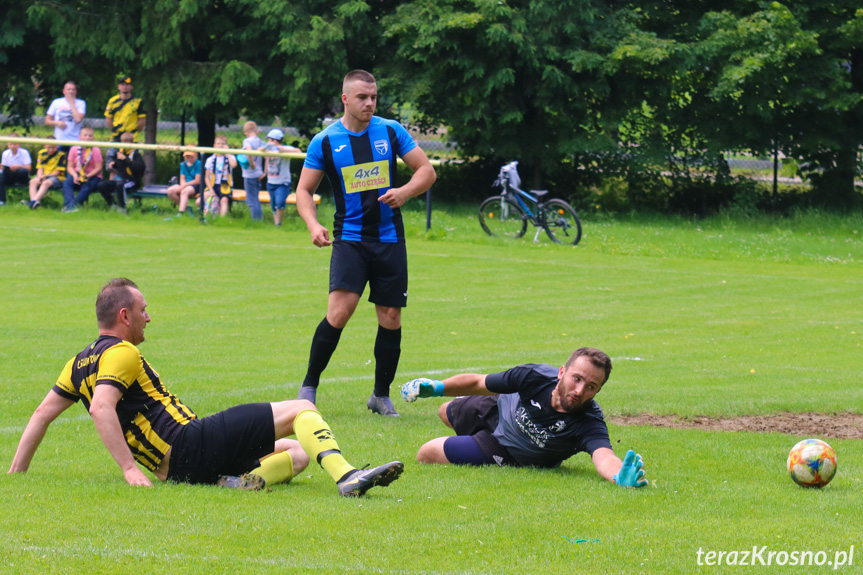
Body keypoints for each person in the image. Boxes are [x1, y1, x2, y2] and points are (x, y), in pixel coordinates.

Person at [8, 278, 404, 497]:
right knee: (301, 409)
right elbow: (101, 408)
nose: (149, 317)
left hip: (174, 471)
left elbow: (42, 415)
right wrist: (128, 469)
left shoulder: (78, 363)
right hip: (190, 443)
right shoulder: (123, 352)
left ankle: (236, 483)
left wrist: (17, 472)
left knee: (299, 453)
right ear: (124, 315)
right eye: (143, 310)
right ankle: (347, 476)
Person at [294, 70, 437, 416]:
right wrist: (312, 223)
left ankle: (380, 395)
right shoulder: (325, 141)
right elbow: (303, 191)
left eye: (373, 97)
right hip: (350, 239)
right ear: (345, 99)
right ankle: (308, 386)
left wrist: (404, 191)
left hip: (389, 238)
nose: (370, 103)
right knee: (339, 312)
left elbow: (427, 171)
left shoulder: (390, 131)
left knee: (390, 316)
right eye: (362, 97)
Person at [399, 348, 649, 488]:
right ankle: (468, 437)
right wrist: (437, 387)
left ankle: (474, 445)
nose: (580, 391)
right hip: (496, 408)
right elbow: (478, 382)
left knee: (427, 452)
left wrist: (619, 476)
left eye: (591, 386)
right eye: (577, 379)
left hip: (504, 449)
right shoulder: (533, 375)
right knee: (445, 411)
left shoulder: (588, 421)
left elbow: (604, 455)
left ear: (598, 391)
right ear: (562, 372)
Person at [96, 131, 144, 212]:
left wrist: (125, 159)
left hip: (131, 181)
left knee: (120, 185)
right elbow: (119, 165)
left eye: (126, 142)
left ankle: (123, 208)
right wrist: (114, 164)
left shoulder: (135, 154)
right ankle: (112, 204)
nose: (124, 144)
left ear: (132, 142)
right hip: (120, 179)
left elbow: (138, 169)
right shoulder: (121, 152)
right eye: (123, 142)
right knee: (101, 185)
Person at [263, 128, 301, 227]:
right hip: (271, 181)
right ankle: (277, 224)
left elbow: (298, 151)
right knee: (273, 204)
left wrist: (281, 149)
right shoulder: (268, 149)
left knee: (280, 203)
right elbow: (262, 153)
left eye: (269, 139)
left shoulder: (285, 148)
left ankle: (279, 223)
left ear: (274, 140)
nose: (268, 142)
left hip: (282, 182)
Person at [61, 126, 104, 212]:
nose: (87, 138)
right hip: (77, 173)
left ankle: (74, 205)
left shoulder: (96, 150)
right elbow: (70, 166)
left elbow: (98, 168)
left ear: (93, 138)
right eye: (85, 135)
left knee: (87, 186)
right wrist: (74, 175)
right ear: (80, 137)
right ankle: (69, 204)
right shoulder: (74, 149)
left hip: (92, 175)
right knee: (67, 183)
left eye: (90, 136)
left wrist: (87, 176)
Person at [24, 138, 67, 209]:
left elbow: (57, 172)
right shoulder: (41, 153)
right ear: (44, 145)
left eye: (53, 147)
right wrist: (40, 176)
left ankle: (33, 202)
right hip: (44, 175)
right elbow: (40, 168)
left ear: (56, 146)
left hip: (57, 177)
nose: (50, 150)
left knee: (46, 183)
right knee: (33, 181)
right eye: (49, 147)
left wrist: (45, 176)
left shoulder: (61, 155)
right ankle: (35, 204)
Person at [202, 134, 237, 218]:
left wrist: (228, 153)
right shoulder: (210, 159)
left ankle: (221, 219)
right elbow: (206, 177)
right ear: (214, 146)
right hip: (213, 185)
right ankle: (208, 216)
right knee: (203, 198)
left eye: (223, 144)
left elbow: (234, 165)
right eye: (218, 143)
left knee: (224, 200)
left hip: (225, 185)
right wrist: (211, 189)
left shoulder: (230, 157)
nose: (220, 145)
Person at [104, 75, 146, 142]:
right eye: (122, 84)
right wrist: (114, 129)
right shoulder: (112, 101)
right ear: (119, 86)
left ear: (131, 87)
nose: (125, 87)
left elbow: (142, 120)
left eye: (127, 85)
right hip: (116, 136)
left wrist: (135, 130)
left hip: (131, 137)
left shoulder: (138, 101)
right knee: (112, 152)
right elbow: (108, 117)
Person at [45, 81, 86, 147]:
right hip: (59, 140)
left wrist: (72, 103)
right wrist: (57, 123)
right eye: (69, 89)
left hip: (75, 141)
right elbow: (47, 121)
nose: (71, 91)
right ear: (64, 91)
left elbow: (78, 119)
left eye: (73, 89)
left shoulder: (81, 103)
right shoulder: (56, 102)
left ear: (76, 92)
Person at [240, 121, 265, 221]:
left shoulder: (247, 141)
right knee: (256, 199)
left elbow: (249, 151)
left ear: (245, 132)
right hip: (258, 173)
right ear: (257, 131)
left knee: (251, 200)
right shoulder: (260, 141)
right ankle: (259, 219)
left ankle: (255, 220)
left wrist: (251, 163)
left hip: (250, 174)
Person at [166, 150, 202, 218]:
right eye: (187, 157)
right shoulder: (183, 164)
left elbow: (197, 180)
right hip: (185, 184)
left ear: (196, 155)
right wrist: (183, 185)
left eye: (191, 156)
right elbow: (182, 178)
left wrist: (185, 185)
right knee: (170, 191)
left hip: (195, 186)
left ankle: (180, 213)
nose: (189, 158)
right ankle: (186, 208)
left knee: (184, 191)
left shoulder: (199, 164)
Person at [0, 134, 32, 205]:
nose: (12, 146)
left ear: (19, 144)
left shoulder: (24, 152)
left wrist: (19, 166)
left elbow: (29, 168)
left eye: (14, 144)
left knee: (23, 171)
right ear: (7, 144)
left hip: (21, 175)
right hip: (9, 175)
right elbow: (4, 168)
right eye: (10, 144)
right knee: (1, 177)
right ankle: (2, 200)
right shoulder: (5, 153)